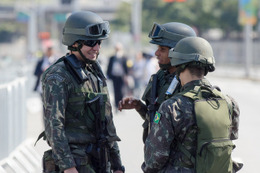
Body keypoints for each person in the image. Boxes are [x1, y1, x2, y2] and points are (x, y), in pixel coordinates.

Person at [141, 37, 242, 173]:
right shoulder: (229, 103)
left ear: (179, 64)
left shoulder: (171, 107)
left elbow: (155, 158)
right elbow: (231, 138)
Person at [40, 11, 124, 173]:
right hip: (74, 163)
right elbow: (54, 125)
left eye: (99, 42)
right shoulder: (58, 76)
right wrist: (68, 166)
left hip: (99, 160)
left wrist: (117, 165)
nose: (97, 48)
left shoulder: (95, 72)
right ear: (74, 42)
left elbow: (107, 123)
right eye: (91, 42)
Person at [118, 22, 197, 142]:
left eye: (162, 49)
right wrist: (139, 106)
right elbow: (157, 119)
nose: (156, 53)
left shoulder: (189, 83)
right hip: (157, 154)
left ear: (178, 52)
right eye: (157, 48)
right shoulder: (161, 76)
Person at [107, 42, 129, 109]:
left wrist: (127, 76)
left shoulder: (124, 57)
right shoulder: (112, 57)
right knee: (115, 91)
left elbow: (127, 67)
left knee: (122, 91)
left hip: (121, 77)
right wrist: (108, 75)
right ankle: (116, 105)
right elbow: (109, 67)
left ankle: (122, 104)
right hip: (114, 76)